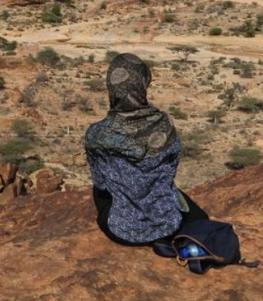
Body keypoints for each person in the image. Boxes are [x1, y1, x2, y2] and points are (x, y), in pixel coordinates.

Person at [84, 52, 208, 252]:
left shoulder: (96, 134)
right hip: (169, 224)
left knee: (100, 190)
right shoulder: (165, 124)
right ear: (144, 83)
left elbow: (101, 183)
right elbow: (171, 171)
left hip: (122, 230)